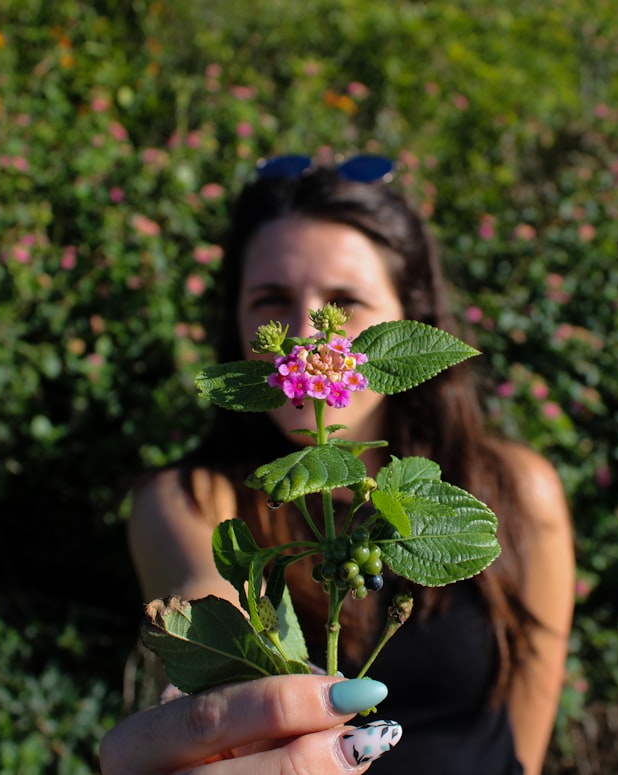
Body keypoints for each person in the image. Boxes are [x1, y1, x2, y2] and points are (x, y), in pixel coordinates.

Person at [99, 155, 576, 775]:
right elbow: (209, 600)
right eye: (271, 302)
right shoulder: (188, 500)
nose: (307, 337)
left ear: (412, 314)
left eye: (343, 303)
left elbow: (531, 714)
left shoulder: (520, 489)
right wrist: (221, 706)